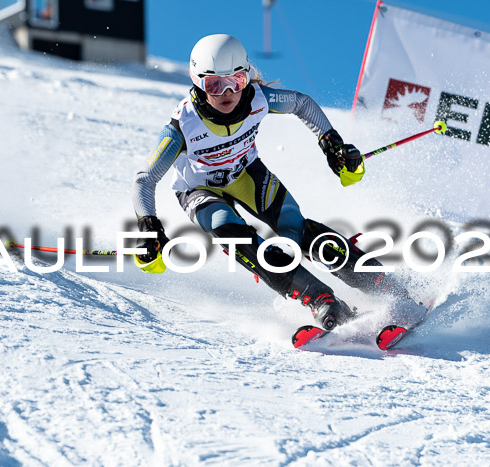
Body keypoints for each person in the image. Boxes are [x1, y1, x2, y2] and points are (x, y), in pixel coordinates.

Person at [132, 34, 409, 331]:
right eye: (214, 85)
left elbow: (302, 104)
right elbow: (145, 180)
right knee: (235, 236)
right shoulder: (183, 126)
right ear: (198, 83)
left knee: (295, 231)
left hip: (247, 173)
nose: (227, 93)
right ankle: (321, 300)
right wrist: (149, 226)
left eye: (236, 81)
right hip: (199, 189)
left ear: (246, 77)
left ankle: (383, 285)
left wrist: (332, 144)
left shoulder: (257, 99)